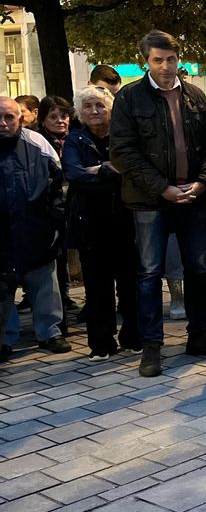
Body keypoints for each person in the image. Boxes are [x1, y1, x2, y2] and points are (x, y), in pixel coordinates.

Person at [110, 30, 206, 377]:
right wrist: (163, 188)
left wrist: (202, 182)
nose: (165, 66)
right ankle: (152, 346)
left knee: (197, 269)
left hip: (192, 198)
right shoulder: (130, 98)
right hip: (150, 201)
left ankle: (198, 335)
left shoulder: (194, 96)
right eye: (157, 59)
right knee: (148, 273)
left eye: (171, 59)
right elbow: (123, 153)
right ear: (144, 61)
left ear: (179, 59)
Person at [62, 86, 140, 359]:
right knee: (97, 287)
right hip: (90, 225)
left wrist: (98, 170)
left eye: (100, 106)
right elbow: (74, 175)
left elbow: (132, 171)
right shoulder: (74, 140)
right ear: (81, 113)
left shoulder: (122, 137)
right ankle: (101, 343)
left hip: (125, 220)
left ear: (110, 109)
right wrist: (110, 170)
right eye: (88, 106)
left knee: (130, 284)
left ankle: (133, 336)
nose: (94, 111)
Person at [1, 94, 71, 359]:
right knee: (2, 290)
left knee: (44, 284)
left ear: (20, 118)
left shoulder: (38, 143)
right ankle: (4, 338)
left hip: (37, 228)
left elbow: (59, 184)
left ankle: (50, 332)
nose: (4, 123)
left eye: (9, 116)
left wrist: (56, 222)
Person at [34, 95, 79, 315]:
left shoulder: (75, 139)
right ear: (42, 120)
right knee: (56, 259)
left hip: (74, 206)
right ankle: (59, 302)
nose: (60, 121)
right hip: (51, 208)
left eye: (64, 116)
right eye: (53, 117)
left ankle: (70, 298)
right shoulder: (37, 141)